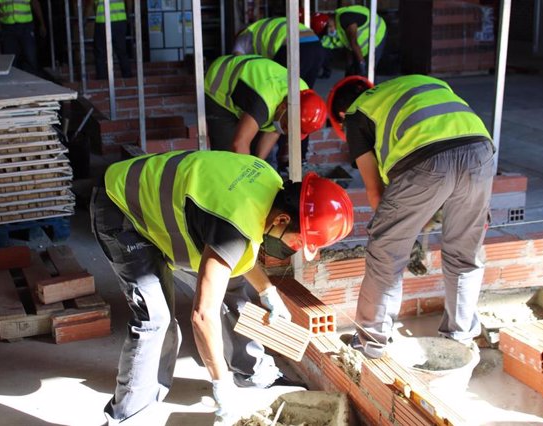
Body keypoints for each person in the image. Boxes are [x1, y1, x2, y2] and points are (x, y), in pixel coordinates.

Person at [91, 150, 354, 423]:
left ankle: (253, 374)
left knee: (231, 283)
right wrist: (219, 382)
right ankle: (128, 415)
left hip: (165, 205)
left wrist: (267, 291)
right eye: (298, 241)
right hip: (120, 207)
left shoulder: (269, 182)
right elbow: (202, 315)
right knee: (156, 318)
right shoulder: (234, 224)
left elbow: (236, 251)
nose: (294, 248)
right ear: (282, 220)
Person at [327, 75, 495, 358]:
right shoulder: (415, 86)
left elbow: (375, 192)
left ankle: (371, 342)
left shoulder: (356, 114)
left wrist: (401, 226)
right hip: (480, 152)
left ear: (341, 115)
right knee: (465, 255)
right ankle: (460, 340)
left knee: (386, 254)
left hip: (424, 160)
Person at [232, 17, 326, 174]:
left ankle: (279, 159)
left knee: (284, 107)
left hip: (293, 48)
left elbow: (237, 61)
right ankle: (298, 159)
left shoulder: (245, 37)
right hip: (316, 47)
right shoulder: (267, 25)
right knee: (303, 105)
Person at [204, 54, 326, 161]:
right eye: (284, 126)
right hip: (219, 82)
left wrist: (259, 165)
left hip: (250, 85)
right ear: (283, 106)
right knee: (228, 154)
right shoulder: (263, 103)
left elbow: (274, 131)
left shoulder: (301, 95)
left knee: (252, 150)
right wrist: (248, 175)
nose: (283, 130)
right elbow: (239, 144)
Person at [311, 5, 387, 77]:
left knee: (368, 73)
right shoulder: (337, 24)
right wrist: (350, 63)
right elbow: (348, 44)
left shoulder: (345, 19)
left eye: (329, 28)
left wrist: (362, 64)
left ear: (329, 21)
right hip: (359, 45)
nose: (330, 31)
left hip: (377, 35)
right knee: (352, 72)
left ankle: (371, 86)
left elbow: (353, 43)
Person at [0, 0, 46, 75]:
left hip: (26, 27)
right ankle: (12, 83)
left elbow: (35, 2)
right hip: (7, 28)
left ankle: (32, 83)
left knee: (30, 57)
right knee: (10, 60)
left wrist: (42, 23)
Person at [84, 0, 133, 80]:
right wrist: (128, 14)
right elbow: (129, 2)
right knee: (121, 51)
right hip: (119, 21)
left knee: (100, 52)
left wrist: (84, 19)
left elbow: (90, 4)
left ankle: (102, 80)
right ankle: (128, 77)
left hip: (102, 22)